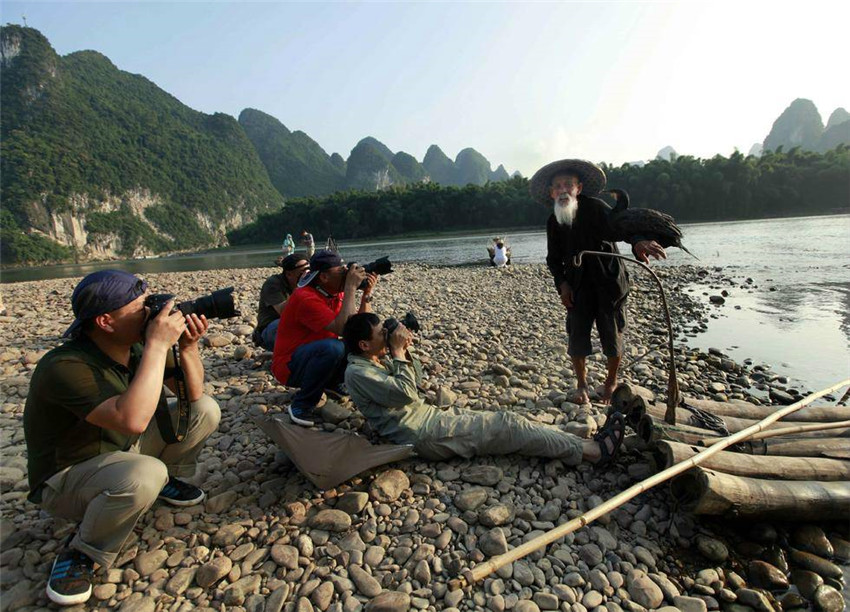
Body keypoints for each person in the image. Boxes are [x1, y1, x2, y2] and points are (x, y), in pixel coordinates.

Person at [23, 270, 221, 606]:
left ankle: (159, 483)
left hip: (121, 450)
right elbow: (132, 420)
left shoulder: (138, 345)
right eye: (142, 307)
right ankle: (84, 550)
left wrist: (187, 347)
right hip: (66, 478)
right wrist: (158, 344)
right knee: (145, 473)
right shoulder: (65, 366)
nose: (152, 313)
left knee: (205, 410)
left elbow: (192, 394)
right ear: (105, 321)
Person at [342, 313, 625, 464]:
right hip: (424, 434)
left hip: (431, 420)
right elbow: (406, 393)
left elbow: (413, 381)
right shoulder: (358, 373)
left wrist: (403, 350)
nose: (387, 336)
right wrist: (396, 352)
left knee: (512, 420)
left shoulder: (372, 360)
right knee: (508, 427)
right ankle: (593, 452)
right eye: (381, 334)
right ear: (364, 344)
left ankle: (578, 443)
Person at [530, 159, 666, 405]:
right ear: (551, 193)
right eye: (558, 186)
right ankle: (582, 385)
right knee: (577, 335)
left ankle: (611, 382)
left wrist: (638, 242)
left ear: (579, 188)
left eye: (568, 185)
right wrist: (562, 285)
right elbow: (553, 259)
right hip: (577, 285)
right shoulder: (554, 221)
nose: (563, 190)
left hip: (608, 282)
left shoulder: (595, 208)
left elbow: (621, 225)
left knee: (612, 334)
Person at [272, 250, 377, 426]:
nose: (345, 275)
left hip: (315, 356)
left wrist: (366, 295)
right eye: (341, 271)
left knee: (361, 343)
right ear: (324, 277)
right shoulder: (305, 298)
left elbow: (359, 330)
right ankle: (301, 405)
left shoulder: (335, 293)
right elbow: (343, 329)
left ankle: (332, 384)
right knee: (333, 348)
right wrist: (350, 288)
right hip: (289, 366)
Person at [253, 253, 309, 350]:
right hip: (271, 330)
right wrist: (301, 286)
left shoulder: (310, 283)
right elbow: (284, 312)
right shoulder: (273, 284)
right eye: (302, 272)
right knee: (289, 324)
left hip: (295, 324)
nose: (306, 275)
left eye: (308, 270)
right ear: (289, 274)